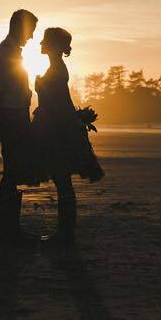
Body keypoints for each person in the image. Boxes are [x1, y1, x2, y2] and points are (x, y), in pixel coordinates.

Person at [31, 27, 104, 246]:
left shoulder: (57, 70)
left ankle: (65, 233)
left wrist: (72, 119)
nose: (40, 43)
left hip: (57, 132)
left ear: (53, 45)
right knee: (61, 180)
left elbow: (59, 104)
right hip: (58, 128)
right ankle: (65, 231)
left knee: (62, 180)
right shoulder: (56, 68)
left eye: (45, 40)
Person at [0, 9, 40, 244]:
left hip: (15, 117)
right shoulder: (6, 53)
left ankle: (11, 228)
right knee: (11, 171)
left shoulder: (12, 52)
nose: (31, 38)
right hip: (12, 118)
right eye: (30, 32)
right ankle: (10, 229)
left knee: (14, 170)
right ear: (20, 28)